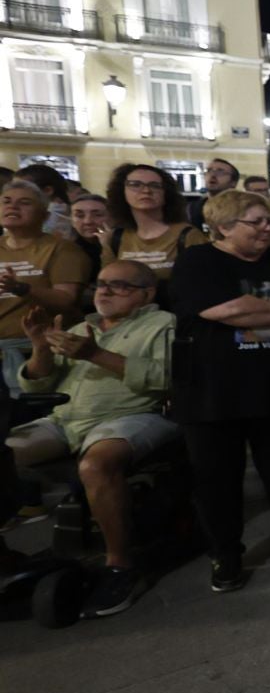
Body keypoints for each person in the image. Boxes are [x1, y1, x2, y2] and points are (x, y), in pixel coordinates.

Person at [170, 190, 270, 593]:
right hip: (211, 392)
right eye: (256, 222)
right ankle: (226, 555)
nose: (268, 228)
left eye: (268, 221)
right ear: (222, 228)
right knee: (216, 480)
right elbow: (226, 310)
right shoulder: (198, 261)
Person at [7, 260, 175, 617]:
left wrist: (94, 354)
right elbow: (38, 383)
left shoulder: (162, 324)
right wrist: (39, 346)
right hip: (66, 418)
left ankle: (120, 565)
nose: (105, 291)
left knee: (96, 464)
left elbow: (165, 379)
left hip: (132, 415)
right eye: (101, 284)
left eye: (119, 285)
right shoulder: (83, 326)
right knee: (4, 451)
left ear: (147, 293)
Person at [0, 179, 89, 390]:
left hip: (33, 352)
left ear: (45, 215)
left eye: (24, 202)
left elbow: (66, 300)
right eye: (6, 201)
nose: (13, 206)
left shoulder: (62, 250)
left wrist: (20, 288)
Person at [101, 163, 209, 304]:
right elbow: (107, 284)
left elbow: (201, 285)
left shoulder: (187, 235)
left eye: (155, 185)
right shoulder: (116, 237)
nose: (146, 190)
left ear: (166, 194)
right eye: (135, 184)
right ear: (121, 191)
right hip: (129, 317)